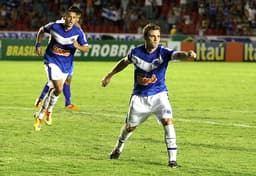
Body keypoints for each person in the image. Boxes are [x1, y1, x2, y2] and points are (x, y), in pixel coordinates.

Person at [101, 23, 196, 168]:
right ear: (145, 37)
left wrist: (187, 54)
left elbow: (176, 54)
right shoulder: (136, 53)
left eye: (158, 36)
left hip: (159, 95)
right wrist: (110, 75)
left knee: (168, 122)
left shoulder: (163, 52)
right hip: (139, 98)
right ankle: (118, 147)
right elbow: (124, 62)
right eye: (153, 36)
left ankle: (172, 160)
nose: (156, 39)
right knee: (129, 128)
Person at [34, 6, 89, 131]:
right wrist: (38, 44)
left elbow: (86, 48)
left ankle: (49, 110)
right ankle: (40, 114)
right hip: (51, 60)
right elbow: (41, 30)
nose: (71, 19)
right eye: (69, 16)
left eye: (74, 18)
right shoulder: (54, 26)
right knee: (57, 87)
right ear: (65, 16)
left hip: (66, 64)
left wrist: (78, 46)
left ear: (77, 20)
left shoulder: (78, 32)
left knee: (57, 90)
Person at [34, 19, 83, 111]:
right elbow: (44, 31)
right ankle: (40, 100)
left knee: (68, 80)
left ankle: (68, 104)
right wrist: (38, 44)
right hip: (55, 58)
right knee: (53, 82)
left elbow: (81, 40)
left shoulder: (77, 27)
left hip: (68, 59)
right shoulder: (58, 25)